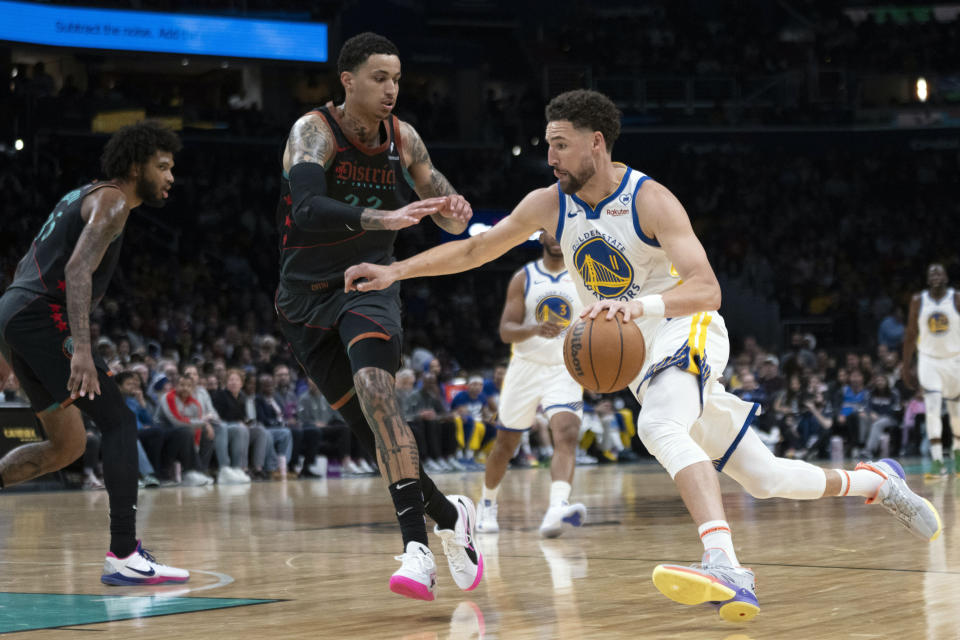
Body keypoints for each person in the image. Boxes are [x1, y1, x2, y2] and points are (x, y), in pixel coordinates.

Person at [345, 89, 943, 622]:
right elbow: (475, 252)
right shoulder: (548, 205)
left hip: (688, 328)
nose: (549, 156)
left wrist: (642, 307)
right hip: (639, 355)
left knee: (658, 425)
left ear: (595, 143)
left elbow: (707, 288)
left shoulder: (650, 199)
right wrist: (394, 270)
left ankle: (726, 565)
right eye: (546, 144)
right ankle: (874, 482)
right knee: (765, 478)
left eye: (559, 144)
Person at [275, 31, 481, 599]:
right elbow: (309, 207)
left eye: (396, 79)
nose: (392, 89)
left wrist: (454, 209)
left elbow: (446, 213)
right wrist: (383, 221)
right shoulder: (313, 131)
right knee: (367, 430)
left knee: (376, 390)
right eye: (379, 78)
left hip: (369, 284)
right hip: (303, 297)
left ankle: (416, 549)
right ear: (348, 80)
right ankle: (450, 515)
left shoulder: (403, 136)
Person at [0, 121, 188, 584]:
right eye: (162, 166)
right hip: (41, 317)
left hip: (15, 313)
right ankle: (124, 553)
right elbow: (78, 269)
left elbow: (32, 262)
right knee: (119, 419)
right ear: (135, 164)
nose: (170, 177)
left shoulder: (83, 194)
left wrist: (12, 342)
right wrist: (81, 350)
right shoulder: (115, 200)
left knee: (68, 445)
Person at [476, 231, 587, 538]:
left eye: (562, 230)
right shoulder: (524, 277)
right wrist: (535, 328)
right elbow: (506, 331)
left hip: (565, 367)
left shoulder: (583, 276)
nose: (556, 236)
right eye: (550, 231)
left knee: (567, 433)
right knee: (506, 445)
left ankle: (556, 507)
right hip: (525, 367)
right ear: (541, 237)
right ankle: (487, 504)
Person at [902, 263, 960, 478]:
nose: (935, 275)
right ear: (927, 279)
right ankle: (937, 463)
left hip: (955, 360)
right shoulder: (918, 301)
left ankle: (957, 453)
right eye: (931, 273)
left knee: (956, 413)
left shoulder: (956, 298)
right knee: (933, 407)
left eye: (939, 272)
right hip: (928, 360)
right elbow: (910, 333)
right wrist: (906, 365)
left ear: (946, 276)